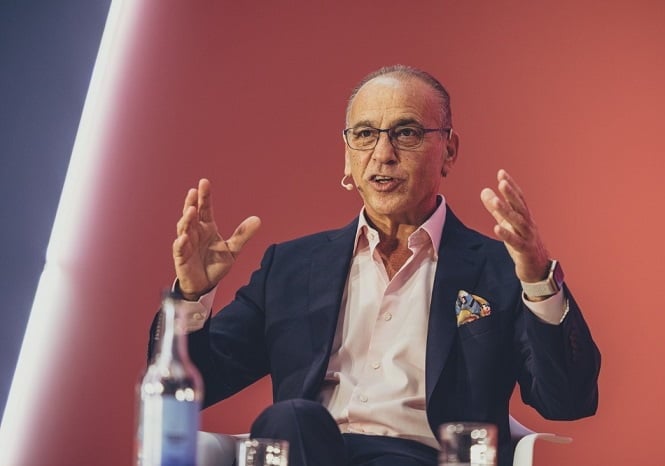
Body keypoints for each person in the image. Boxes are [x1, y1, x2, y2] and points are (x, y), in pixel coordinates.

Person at [150, 65, 600, 466]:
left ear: (449, 150)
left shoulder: (500, 270)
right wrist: (191, 296)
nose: (383, 154)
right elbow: (194, 389)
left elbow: (567, 400)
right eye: (365, 134)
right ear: (347, 154)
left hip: (424, 456)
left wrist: (539, 281)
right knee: (291, 420)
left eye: (406, 133)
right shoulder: (291, 267)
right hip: (305, 447)